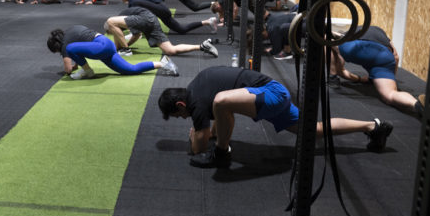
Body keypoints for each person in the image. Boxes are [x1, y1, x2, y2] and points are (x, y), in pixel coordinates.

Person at [158, 66, 395, 168]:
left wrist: (195, 138)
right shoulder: (197, 87)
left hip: (270, 94)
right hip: (272, 94)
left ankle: (222, 155)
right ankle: (373, 126)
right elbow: (221, 120)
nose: (182, 119)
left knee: (221, 100)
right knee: (314, 130)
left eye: (179, 115)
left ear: (181, 104)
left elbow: (198, 148)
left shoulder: (197, 103)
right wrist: (209, 134)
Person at [329, 26, 424, 118]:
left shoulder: (348, 34)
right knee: (390, 94)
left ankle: (332, 77)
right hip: (384, 56)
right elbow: (396, 57)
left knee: (328, 40)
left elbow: (342, 72)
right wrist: (390, 77)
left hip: (355, 46)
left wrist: (359, 79)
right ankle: (417, 105)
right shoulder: (382, 34)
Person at [46, 25, 178, 79]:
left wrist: (70, 68)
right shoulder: (71, 31)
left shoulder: (65, 45)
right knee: (130, 70)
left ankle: (88, 72)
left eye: (57, 51)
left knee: (70, 49)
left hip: (101, 47)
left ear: (57, 45)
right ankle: (163, 63)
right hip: (106, 45)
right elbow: (82, 47)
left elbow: (68, 69)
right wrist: (77, 64)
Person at [105, 6, 219, 58]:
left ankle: (126, 51)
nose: (114, 32)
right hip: (152, 21)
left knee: (110, 21)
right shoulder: (123, 23)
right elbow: (137, 35)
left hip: (145, 18)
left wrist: (124, 48)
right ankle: (202, 46)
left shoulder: (116, 21)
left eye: (111, 32)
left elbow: (116, 36)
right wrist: (124, 45)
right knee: (170, 50)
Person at [117, 0, 217, 34]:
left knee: (136, 10)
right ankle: (208, 21)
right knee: (182, 30)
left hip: (162, 10)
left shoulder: (134, 1)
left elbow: (132, 17)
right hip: (161, 9)